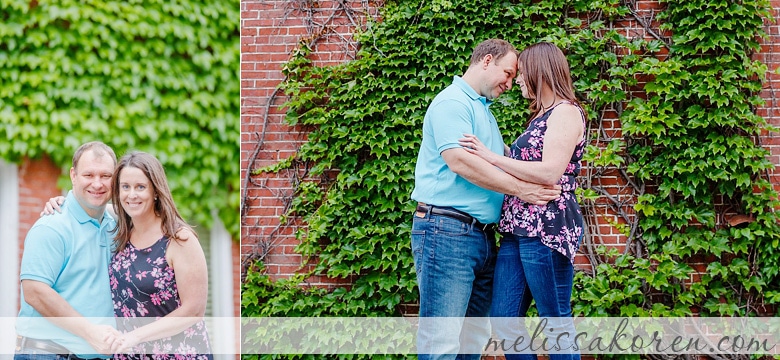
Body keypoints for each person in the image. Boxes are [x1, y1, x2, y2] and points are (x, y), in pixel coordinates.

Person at [410, 38, 561, 360]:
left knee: (472, 341)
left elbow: (496, 160)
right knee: (442, 341)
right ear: (487, 61)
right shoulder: (453, 103)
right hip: (446, 230)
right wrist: (522, 190)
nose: (509, 83)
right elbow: (460, 161)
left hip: (478, 236)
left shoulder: (481, 110)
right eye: (507, 73)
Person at [458, 42, 586, 360]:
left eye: (522, 74)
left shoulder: (566, 113)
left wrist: (490, 156)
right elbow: (522, 160)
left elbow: (548, 172)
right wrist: (489, 140)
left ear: (541, 73)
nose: (517, 80)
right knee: (504, 320)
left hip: (546, 226)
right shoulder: (539, 118)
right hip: (517, 229)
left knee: (555, 321)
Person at [42, 151, 212, 359]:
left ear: (156, 191)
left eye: (140, 187)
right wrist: (63, 203)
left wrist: (134, 337)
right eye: (125, 187)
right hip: (129, 353)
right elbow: (88, 205)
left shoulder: (179, 239)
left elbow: (194, 310)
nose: (132, 195)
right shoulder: (120, 226)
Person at [16, 141, 122, 360]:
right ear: (73, 175)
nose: (97, 183)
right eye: (88, 175)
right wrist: (91, 333)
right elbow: (35, 292)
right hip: (48, 354)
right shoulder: (52, 226)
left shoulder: (114, 226)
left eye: (105, 176)